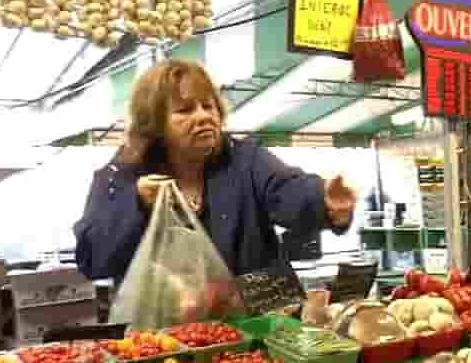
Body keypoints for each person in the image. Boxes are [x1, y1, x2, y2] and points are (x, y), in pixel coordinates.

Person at [74, 60, 356, 284]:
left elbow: (287, 190)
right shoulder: (118, 177)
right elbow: (92, 259)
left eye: (208, 105)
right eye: (184, 110)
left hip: (259, 325)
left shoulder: (246, 159)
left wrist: (324, 202)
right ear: (155, 124)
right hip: (170, 339)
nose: (203, 115)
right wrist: (135, 205)